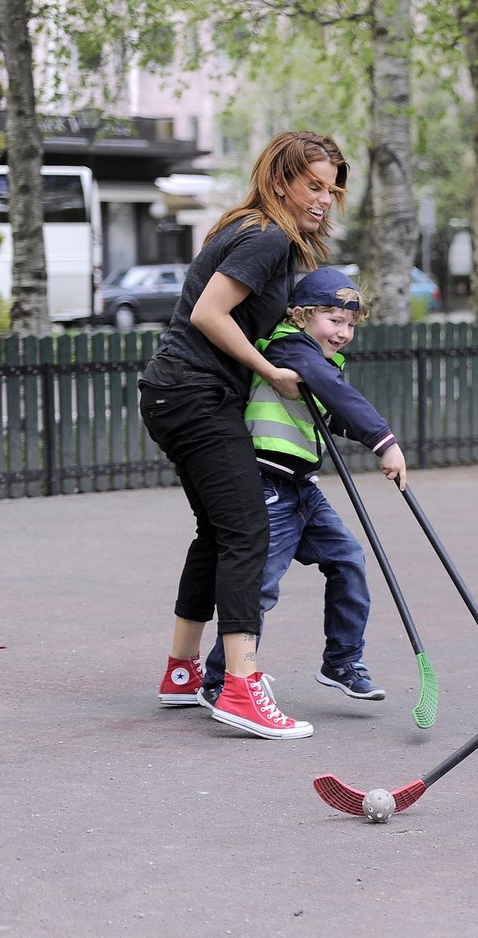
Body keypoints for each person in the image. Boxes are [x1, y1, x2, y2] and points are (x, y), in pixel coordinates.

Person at [142, 131, 349, 740]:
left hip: (174, 393)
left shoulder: (260, 233)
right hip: (195, 394)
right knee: (247, 531)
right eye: (313, 184)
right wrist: (272, 373)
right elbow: (209, 314)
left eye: (331, 188)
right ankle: (240, 687)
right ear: (281, 178)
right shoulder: (266, 234)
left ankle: (182, 672)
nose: (323, 199)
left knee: (217, 531)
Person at [197, 267, 407, 711]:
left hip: (301, 487)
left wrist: (363, 435)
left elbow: (330, 412)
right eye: (334, 320)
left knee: (347, 557)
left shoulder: (318, 362)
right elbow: (330, 391)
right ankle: (220, 678)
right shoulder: (291, 346)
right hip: (268, 484)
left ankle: (342, 662)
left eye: (350, 324)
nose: (344, 332)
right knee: (261, 586)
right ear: (299, 315)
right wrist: (383, 441)